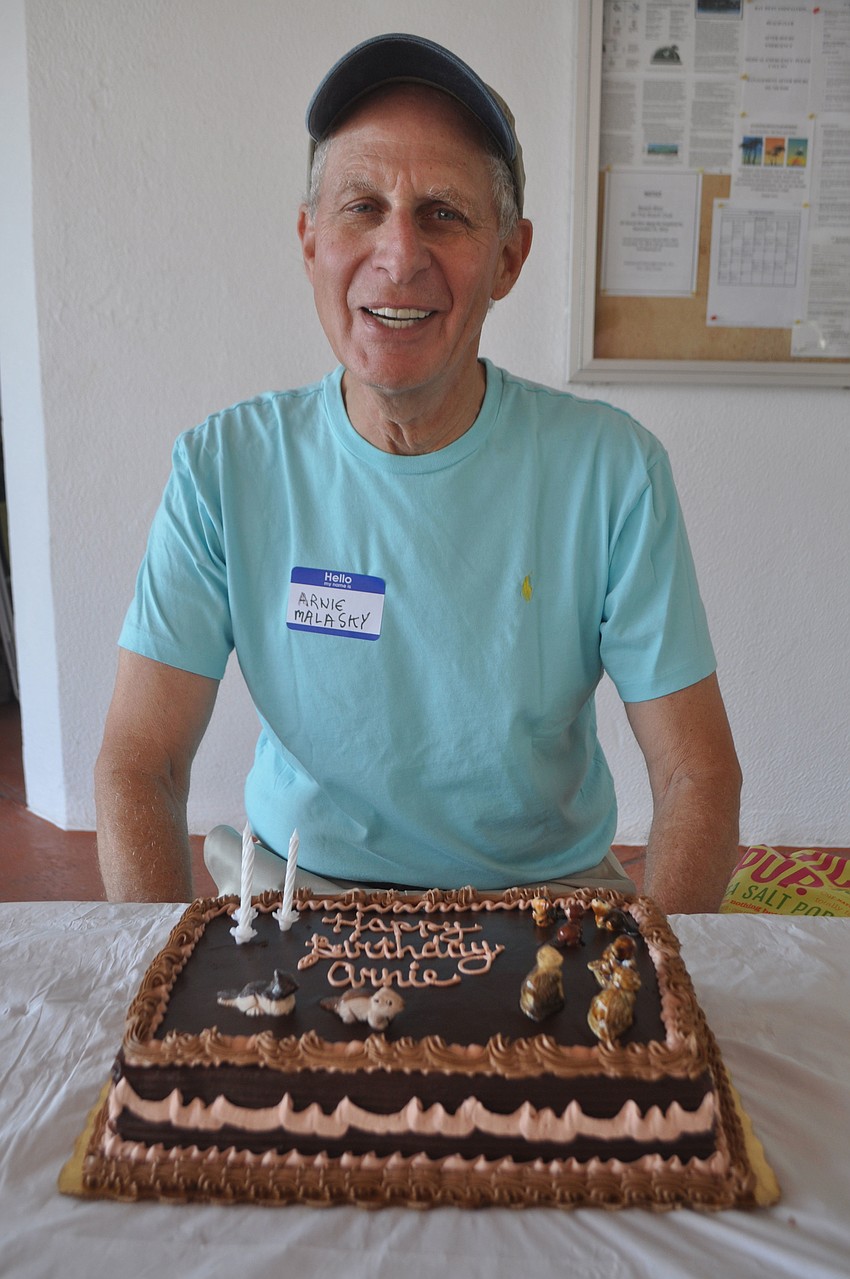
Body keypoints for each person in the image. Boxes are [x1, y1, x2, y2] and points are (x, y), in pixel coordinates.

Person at [95, 34, 742, 914]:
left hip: (545, 903)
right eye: (363, 206)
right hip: (297, 896)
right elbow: (142, 761)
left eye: (444, 212)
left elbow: (696, 771)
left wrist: (661, 995)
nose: (399, 256)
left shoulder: (613, 472)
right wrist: (160, 983)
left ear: (510, 257)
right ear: (310, 238)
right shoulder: (222, 469)